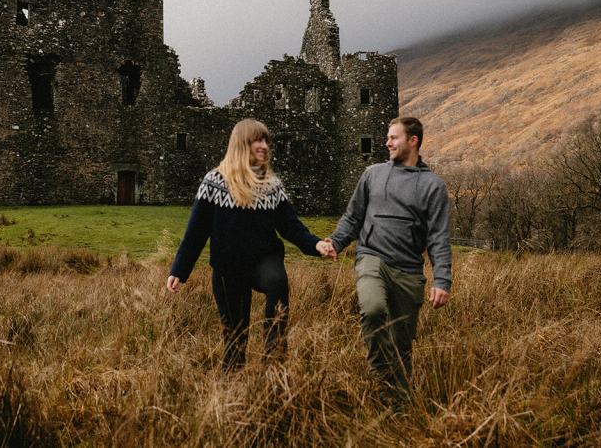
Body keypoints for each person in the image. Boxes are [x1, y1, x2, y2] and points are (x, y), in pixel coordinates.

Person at [167, 118, 333, 370]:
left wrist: (316, 245)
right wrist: (179, 270)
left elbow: (291, 226)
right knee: (235, 338)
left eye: (267, 140)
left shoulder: (272, 186)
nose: (265, 145)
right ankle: (232, 392)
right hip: (227, 268)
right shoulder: (214, 182)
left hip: (263, 260)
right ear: (242, 143)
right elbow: (196, 231)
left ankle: (273, 358)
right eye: (258, 139)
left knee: (278, 283)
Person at [317, 116, 451, 395]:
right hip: (371, 258)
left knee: (402, 344)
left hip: (409, 270)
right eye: (387, 137)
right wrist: (336, 242)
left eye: (394, 137)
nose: (387, 142)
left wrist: (442, 280)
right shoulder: (372, 174)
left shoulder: (433, 186)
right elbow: (353, 217)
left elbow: (438, 237)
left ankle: (399, 404)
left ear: (413, 141)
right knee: (374, 309)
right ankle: (382, 373)